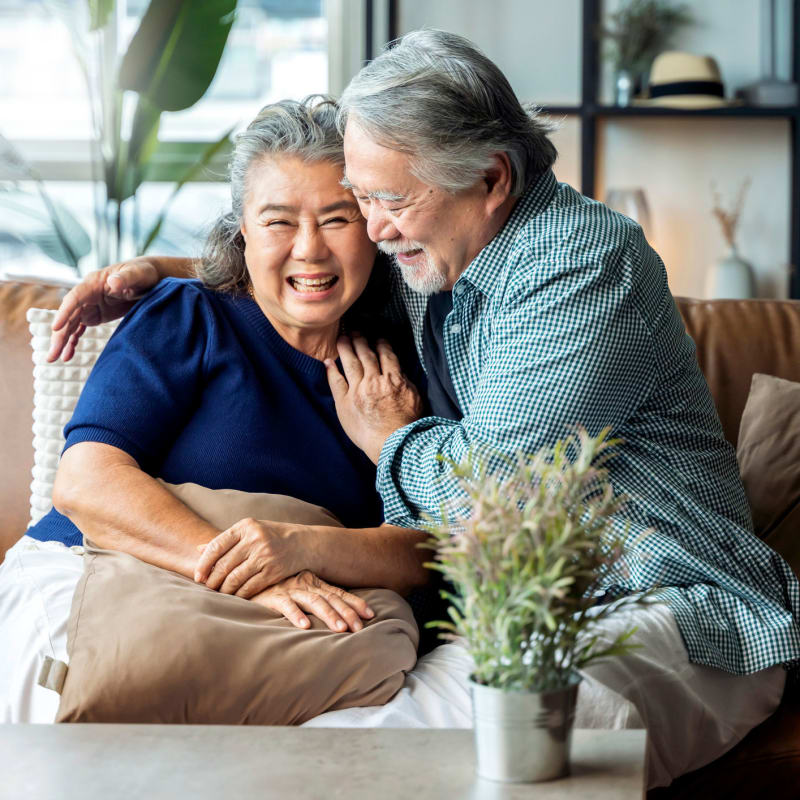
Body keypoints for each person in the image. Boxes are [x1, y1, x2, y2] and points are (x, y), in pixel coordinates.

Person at [47, 31, 800, 789]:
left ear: (491, 178)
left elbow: (492, 499)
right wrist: (164, 271)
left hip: (671, 608)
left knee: (406, 763)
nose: (371, 228)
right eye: (363, 201)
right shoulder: (437, 249)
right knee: (332, 748)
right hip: (526, 604)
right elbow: (306, 256)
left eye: (386, 201)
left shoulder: (578, 268)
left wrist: (394, 438)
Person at [1, 96, 436, 723]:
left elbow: (427, 555)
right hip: (108, 572)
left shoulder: (397, 372)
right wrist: (255, 569)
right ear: (242, 233)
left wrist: (384, 453)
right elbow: (86, 482)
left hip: (281, 624)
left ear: (374, 224)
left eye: (337, 219)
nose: (310, 250)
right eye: (279, 222)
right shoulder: (190, 315)